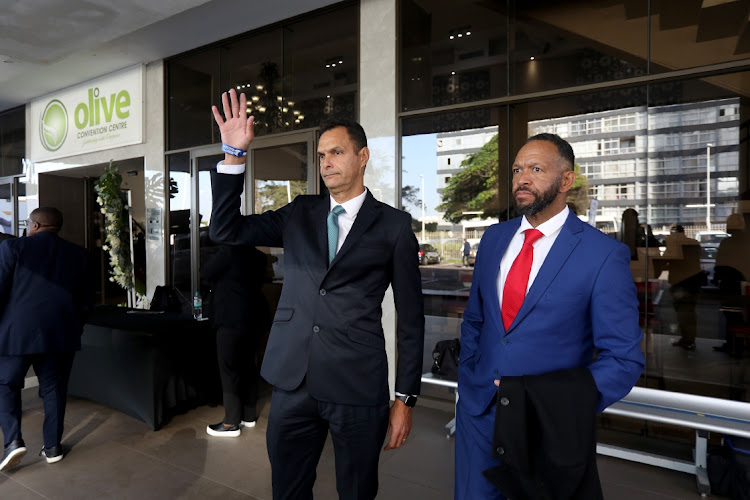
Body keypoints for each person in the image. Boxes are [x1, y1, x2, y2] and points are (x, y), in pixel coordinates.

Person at [209, 89, 424, 500]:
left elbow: (411, 320)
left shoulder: (394, 226)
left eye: (337, 152)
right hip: (293, 381)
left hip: (357, 384)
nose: (326, 162)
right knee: (287, 490)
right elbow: (225, 230)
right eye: (322, 155)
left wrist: (405, 399)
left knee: (357, 491)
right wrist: (234, 155)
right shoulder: (299, 212)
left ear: (362, 157)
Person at [455, 134, 644, 499]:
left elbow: (622, 359)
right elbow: (476, 320)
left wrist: (558, 404)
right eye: (517, 170)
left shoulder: (603, 255)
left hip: (546, 424)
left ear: (566, 181)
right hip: (479, 414)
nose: (522, 179)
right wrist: (470, 376)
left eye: (536, 169)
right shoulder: (494, 239)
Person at [0, 207, 90, 471]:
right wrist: (76, 326)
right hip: (61, 334)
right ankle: (52, 447)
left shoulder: (12, 248)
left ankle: (13, 441)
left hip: (16, 335)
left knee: (6, 385)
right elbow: (85, 300)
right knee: (53, 390)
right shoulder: (79, 254)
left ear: (35, 225)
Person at [202, 244, 271, 437]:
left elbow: (205, 272)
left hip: (230, 319)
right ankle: (248, 416)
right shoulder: (259, 256)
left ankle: (231, 422)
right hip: (254, 318)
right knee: (249, 366)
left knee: (229, 369)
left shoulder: (229, 252)